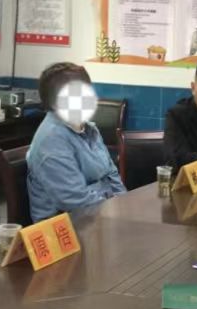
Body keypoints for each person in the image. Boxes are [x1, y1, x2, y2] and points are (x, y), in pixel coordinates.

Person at [27, 62, 126, 222]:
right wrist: (115, 213)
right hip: (65, 225)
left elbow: (111, 174)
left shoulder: (89, 129)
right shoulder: (52, 140)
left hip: (99, 214)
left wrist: (124, 204)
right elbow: (74, 200)